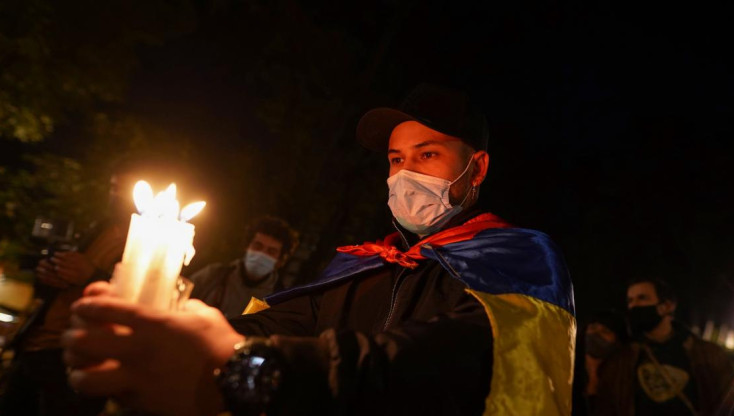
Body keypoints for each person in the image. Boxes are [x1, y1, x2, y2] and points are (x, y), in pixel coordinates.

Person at [62, 84, 576, 416]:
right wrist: (166, 331)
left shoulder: (521, 261)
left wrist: (247, 366)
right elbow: (281, 324)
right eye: (396, 159)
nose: (405, 175)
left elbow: (440, 365)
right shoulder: (365, 264)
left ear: (477, 169)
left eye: (428, 155)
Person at [0, 161, 136, 416]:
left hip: (74, 357)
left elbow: (137, 302)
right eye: (112, 187)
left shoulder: (146, 244)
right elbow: (63, 283)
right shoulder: (99, 228)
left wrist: (92, 275)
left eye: (123, 189)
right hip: (35, 347)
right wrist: (49, 272)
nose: (114, 195)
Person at [594, 277, 734, 416]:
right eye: (630, 301)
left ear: (667, 306)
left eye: (642, 298)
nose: (634, 305)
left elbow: (733, 406)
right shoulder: (622, 358)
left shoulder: (708, 353)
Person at [189, 216, 299, 318]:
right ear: (247, 246)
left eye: (271, 251)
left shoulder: (279, 301)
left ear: (280, 261)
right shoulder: (214, 275)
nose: (262, 254)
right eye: (257, 246)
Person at [572, 309, 627, 416]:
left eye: (605, 331)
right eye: (593, 328)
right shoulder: (569, 372)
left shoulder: (623, 377)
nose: (596, 334)